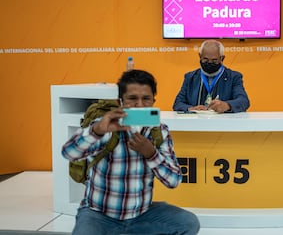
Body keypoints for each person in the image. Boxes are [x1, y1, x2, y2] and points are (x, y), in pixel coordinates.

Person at [62, 70, 200, 235]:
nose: (140, 105)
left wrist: (151, 154)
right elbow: (69, 153)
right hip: (98, 214)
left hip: (140, 215)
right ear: (120, 101)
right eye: (132, 99)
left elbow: (174, 180)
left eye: (146, 99)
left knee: (188, 223)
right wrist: (97, 131)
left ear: (153, 101)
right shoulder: (105, 125)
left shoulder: (159, 131)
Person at [173, 39, 250, 113]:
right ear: (200, 56)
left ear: (222, 58)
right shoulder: (190, 77)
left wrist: (227, 105)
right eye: (205, 60)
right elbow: (178, 104)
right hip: (196, 123)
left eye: (214, 60)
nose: (209, 63)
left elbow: (243, 101)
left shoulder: (233, 77)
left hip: (223, 123)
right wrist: (191, 109)